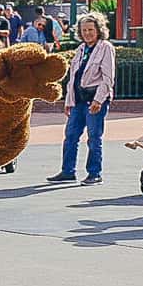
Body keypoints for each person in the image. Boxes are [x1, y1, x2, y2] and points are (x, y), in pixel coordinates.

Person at [46, 11, 116, 186]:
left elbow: (108, 78)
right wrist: (69, 101)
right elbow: (73, 78)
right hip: (78, 100)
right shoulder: (81, 49)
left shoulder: (105, 47)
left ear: (98, 30)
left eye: (90, 29)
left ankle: (94, 173)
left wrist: (98, 100)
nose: (87, 33)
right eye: (84, 30)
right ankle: (68, 171)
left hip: (94, 100)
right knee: (70, 136)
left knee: (94, 137)